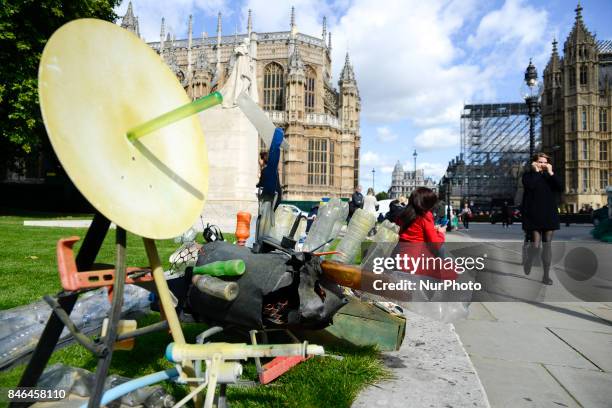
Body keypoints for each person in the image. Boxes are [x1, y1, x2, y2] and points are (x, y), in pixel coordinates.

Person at [396, 187, 455, 280]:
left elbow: (414, 232)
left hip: (403, 261)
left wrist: (432, 229)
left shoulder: (405, 214)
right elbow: (435, 244)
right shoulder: (425, 215)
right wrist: (441, 232)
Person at [521, 152, 563, 285]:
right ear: (534, 163)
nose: (543, 164)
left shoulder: (550, 176)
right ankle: (529, 259)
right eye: (540, 162)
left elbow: (560, 188)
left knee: (547, 245)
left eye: (545, 162)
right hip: (533, 214)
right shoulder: (528, 175)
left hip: (549, 213)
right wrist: (536, 171)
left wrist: (551, 173)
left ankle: (546, 276)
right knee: (536, 245)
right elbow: (531, 185)